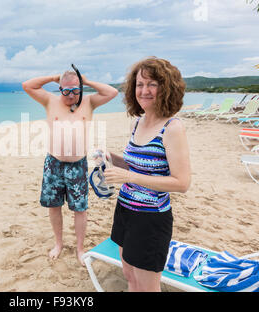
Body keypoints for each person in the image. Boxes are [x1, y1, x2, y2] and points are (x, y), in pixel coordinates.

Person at [103, 57, 191, 291]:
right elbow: (136, 166)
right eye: (140, 84)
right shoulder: (138, 123)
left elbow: (182, 183)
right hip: (125, 211)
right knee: (130, 277)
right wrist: (108, 157)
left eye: (152, 84)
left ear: (166, 87)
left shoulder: (172, 128)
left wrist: (129, 178)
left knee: (148, 287)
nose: (144, 90)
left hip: (150, 219)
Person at [22, 70, 118, 265]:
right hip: (53, 163)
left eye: (75, 90)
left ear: (81, 88)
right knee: (54, 205)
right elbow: (28, 85)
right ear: (60, 89)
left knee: (80, 208)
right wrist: (51, 77)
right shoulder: (50, 100)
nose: (71, 95)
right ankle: (59, 244)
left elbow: (112, 92)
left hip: (78, 165)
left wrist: (88, 80)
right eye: (66, 92)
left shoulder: (89, 102)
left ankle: (80, 248)